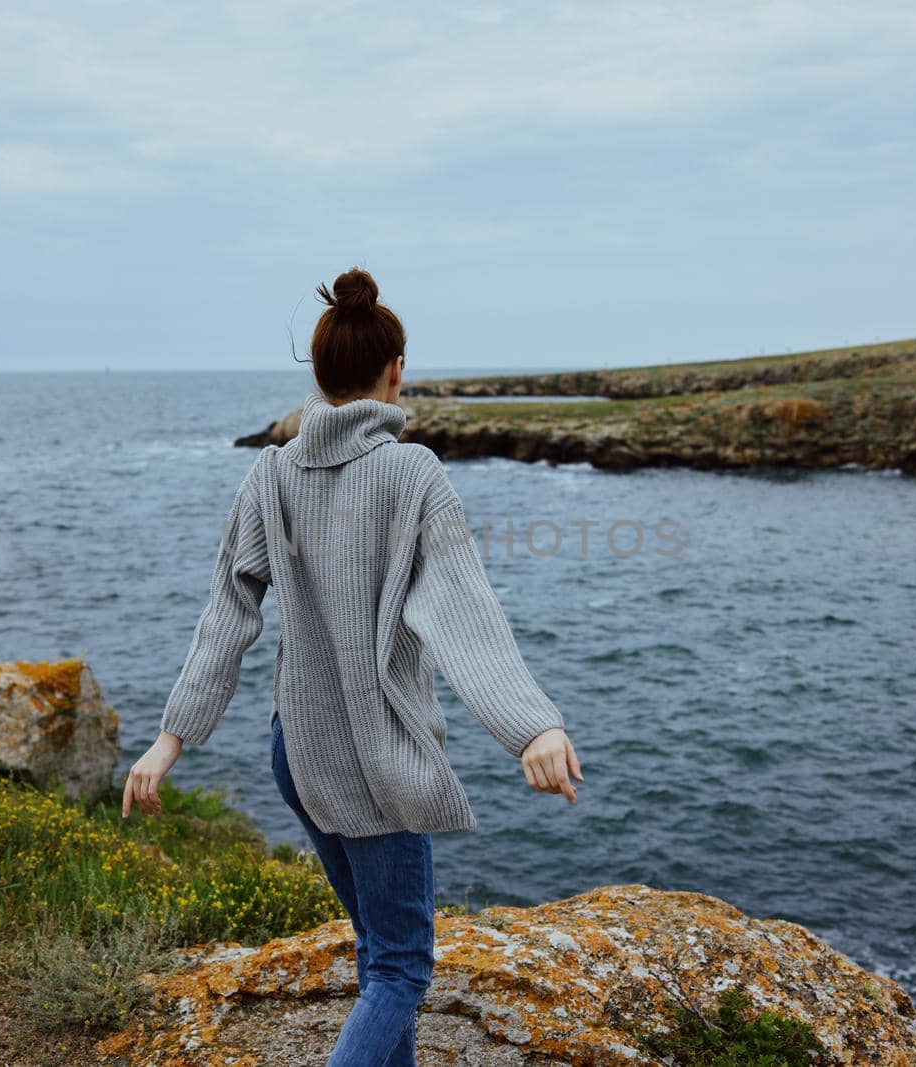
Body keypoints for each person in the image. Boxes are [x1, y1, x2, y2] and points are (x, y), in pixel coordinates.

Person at [122, 266, 583, 1066]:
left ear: (321, 375)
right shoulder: (411, 473)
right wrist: (532, 725)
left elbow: (227, 615)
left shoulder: (269, 473)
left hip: (294, 753)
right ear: (394, 372)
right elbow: (461, 609)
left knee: (378, 949)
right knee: (403, 967)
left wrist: (171, 739)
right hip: (376, 760)